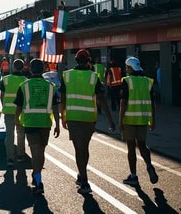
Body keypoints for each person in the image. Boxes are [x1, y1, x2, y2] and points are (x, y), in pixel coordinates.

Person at [61, 49, 115, 195]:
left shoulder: (67, 75)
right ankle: (82, 175)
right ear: (89, 61)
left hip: (73, 118)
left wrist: (63, 116)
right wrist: (110, 120)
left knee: (79, 149)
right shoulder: (93, 77)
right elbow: (102, 99)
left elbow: (63, 98)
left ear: (76, 60)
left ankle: (84, 179)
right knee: (84, 148)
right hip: (89, 119)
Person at [15, 58, 60, 195]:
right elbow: (55, 107)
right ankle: (37, 176)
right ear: (43, 70)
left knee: (35, 153)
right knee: (41, 152)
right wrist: (57, 124)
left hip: (30, 123)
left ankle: (38, 180)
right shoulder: (50, 86)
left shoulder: (24, 86)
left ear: (29, 69)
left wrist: (18, 122)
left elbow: (18, 108)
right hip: (45, 123)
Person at [119, 56, 158, 186]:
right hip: (143, 119)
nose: (126, 70)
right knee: (142, 144)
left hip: (130, 119)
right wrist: (153, 120)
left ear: (130, 68)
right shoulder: (148, 82)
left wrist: (120, 121)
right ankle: (149, 165)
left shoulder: (127, 81)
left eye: (127, 67)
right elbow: (153, 103)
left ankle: (134, 176)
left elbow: (123, 103)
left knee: (131, 148)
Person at [0, 58, 27, 165]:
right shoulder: (25, 80)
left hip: (9, 111)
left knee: (9, 135)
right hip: (21, 112)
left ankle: (10, 158)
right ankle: (20, 156)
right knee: (21, 134)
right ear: (22, 67)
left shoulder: (5, 79)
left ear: (13, 67)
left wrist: (5, 106)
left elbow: (1, 96)